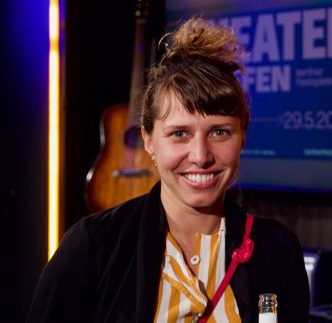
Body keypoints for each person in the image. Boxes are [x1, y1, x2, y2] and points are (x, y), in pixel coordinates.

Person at [27, 18, 310, 322]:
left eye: (219, 132)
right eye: (179, 134)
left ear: (242, 136)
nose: (201, 156)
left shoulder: (276, 249)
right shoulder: (94, 247)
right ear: (148, 139)